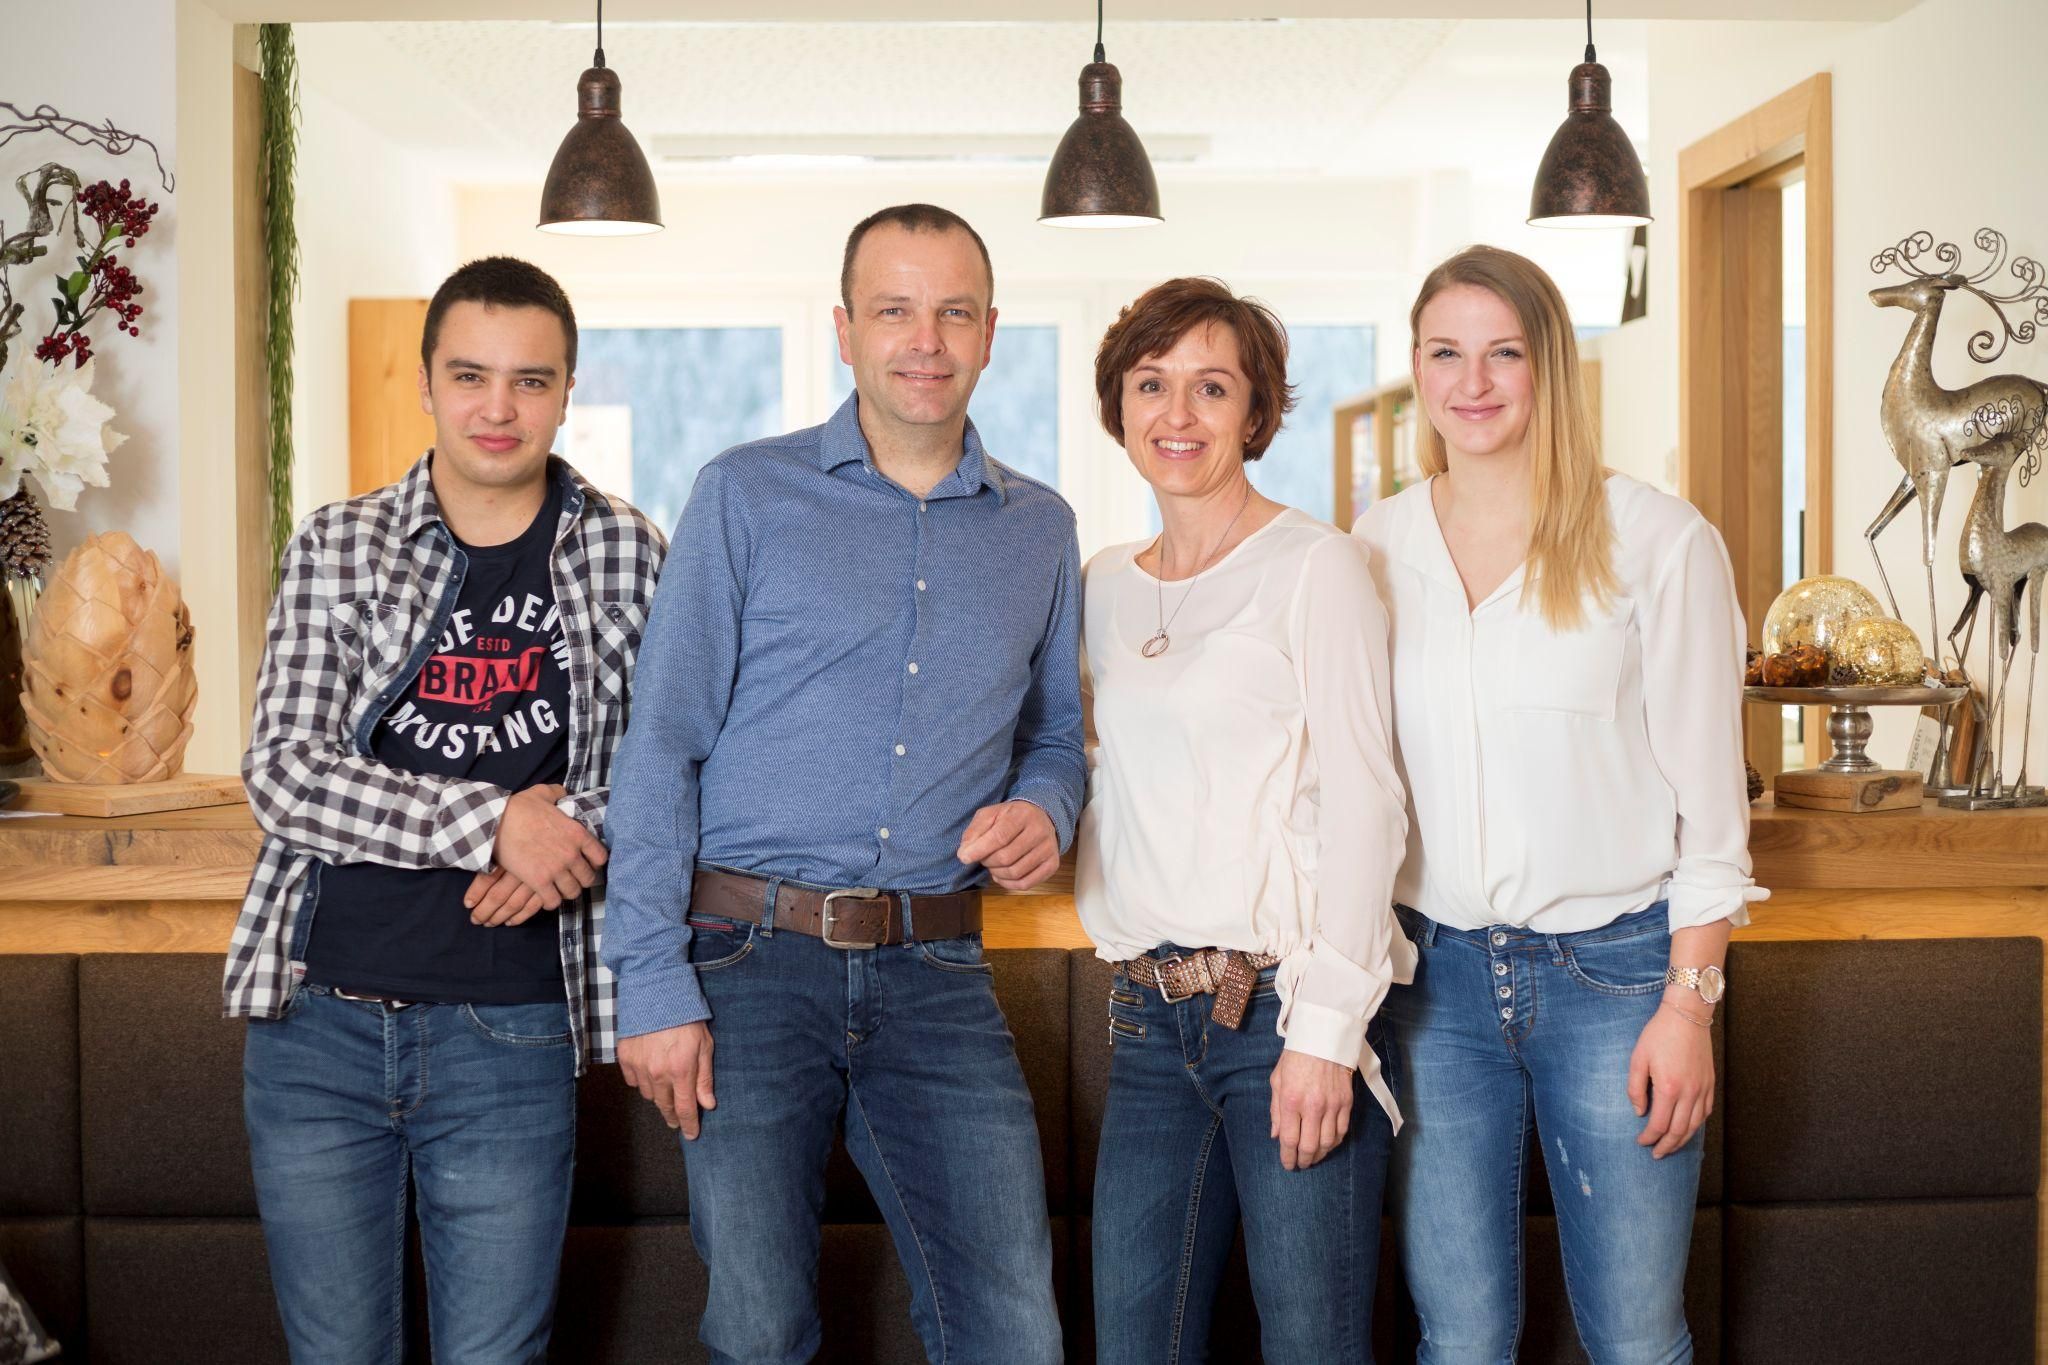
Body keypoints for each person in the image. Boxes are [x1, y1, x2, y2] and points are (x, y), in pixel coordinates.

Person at [602, 203, 1081, 1365]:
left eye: (953, 312)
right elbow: (660, 741)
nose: (925, 339)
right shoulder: (743, 494)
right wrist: (649, 981)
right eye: (893, 311)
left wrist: (1046, 807)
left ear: (989, 332)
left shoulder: (1039, 528)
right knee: (760, 1329)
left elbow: (1057, 734)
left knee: (1013, 1330)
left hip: (937, 969)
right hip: (745, 966)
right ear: (843, 330)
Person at [224, 255, 667, 1361]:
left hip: (510, 1032)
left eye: (530, 380)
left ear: (567, 392)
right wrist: (496, 823)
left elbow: (677, 766)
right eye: (470, 375)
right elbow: (283, 771)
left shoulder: (627, 550)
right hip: (316, 1027)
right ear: (425, 382)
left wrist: (575, 827)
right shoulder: (339, 543)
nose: (498, 408)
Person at [1354, 245, 1766, 1363]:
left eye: (1504, 353)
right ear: (1416, 367)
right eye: (1446, 352)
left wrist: (1689, 1007)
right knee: (1459, 1339)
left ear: (1550, 368)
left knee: (1633, 1338)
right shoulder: (1374, 546)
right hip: (1430, 988)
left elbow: (1710, 812)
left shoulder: (1657, 540)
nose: (1472, 382)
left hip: (1616, 982)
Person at [1075, 276, 1410, 1364]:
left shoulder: (1317, 566)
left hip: (1281, 1008)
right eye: (1151, 384)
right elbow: (1097, 768)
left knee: (1312, 1345)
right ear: (1118, 406)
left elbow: (1367, 802)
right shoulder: (1101, 584)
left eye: (1211, 388)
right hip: (1145, 1015)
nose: (1177, 414)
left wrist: (1325, 1034)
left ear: (1255, 412)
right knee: (1137, 1345)